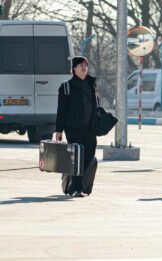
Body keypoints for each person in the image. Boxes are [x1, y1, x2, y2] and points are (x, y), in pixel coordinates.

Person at [55, 56, 98, 198]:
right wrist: (59, 130)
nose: (84, 67)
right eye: (81, 65)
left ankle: (74, 180)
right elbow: (61, 110)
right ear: (74, 68)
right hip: (73, 128)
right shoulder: (66, 86)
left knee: (90, 154)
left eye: (86, 65)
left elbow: (94, 104)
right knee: (78, 156)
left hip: (89, 127)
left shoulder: (91, 83)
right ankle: (76, 188)